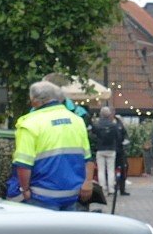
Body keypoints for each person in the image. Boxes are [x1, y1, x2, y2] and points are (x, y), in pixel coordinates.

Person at [13, 80, 95, 211]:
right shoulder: (77, 120)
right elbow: (88, 159)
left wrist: (25, 190)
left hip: (41, 196)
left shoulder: (29, 124)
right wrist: (88, 182)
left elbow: (23, 164)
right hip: (73, 195)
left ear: (35, 101)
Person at [89, 107, 125, 198]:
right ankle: (111, 189)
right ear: (109, 114)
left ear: (101, 114)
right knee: (111, 170)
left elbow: (93, 135)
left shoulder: (97, 125)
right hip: (111, 149)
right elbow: (118, 137)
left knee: (101, 170)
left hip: (100, 148)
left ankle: (102, 188)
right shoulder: (113, 125)